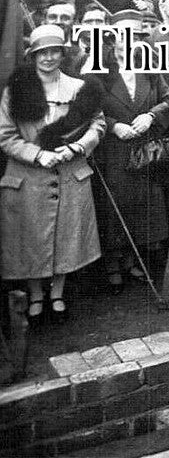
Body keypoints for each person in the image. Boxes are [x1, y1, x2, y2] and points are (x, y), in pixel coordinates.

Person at [0, 26, 104, 324]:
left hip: (70, 173)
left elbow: (98, 124)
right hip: (28, 177)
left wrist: (78, 147)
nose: (48, 58)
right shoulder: (15, 89)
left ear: (63, 53)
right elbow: (5, 135)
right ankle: (35, 295)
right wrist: (38, 153)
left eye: (54, 51)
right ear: (32, 56)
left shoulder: (78, 87)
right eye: (42, 52)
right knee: (31, 238)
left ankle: (57, 293)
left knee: (65, 235)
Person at [93, 11, 169, 295]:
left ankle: (132, 260)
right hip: (114, 150)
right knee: (115, 205)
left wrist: (151, 116)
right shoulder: (99, 71)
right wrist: (113, 126)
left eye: (137, 36)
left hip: (145, 150)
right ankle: (114, 264)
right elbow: (89, 109)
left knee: (144, 204)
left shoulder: (150, 69)